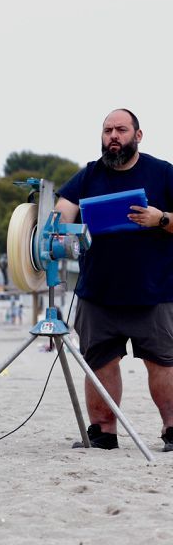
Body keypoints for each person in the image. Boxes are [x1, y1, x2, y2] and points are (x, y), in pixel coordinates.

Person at [56, 108, 173, 451]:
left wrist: (160, 218)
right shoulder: (88, 176)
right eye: (107, 130)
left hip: (154, 291)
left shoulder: (163, 173)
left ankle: (171, 430)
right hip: (98, 293)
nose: (113, 136)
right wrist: (62, 227)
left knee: (163, 363)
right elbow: (62, 215)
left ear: (138, 135)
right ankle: (104, 433)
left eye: (121, 130)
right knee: (99, 364)